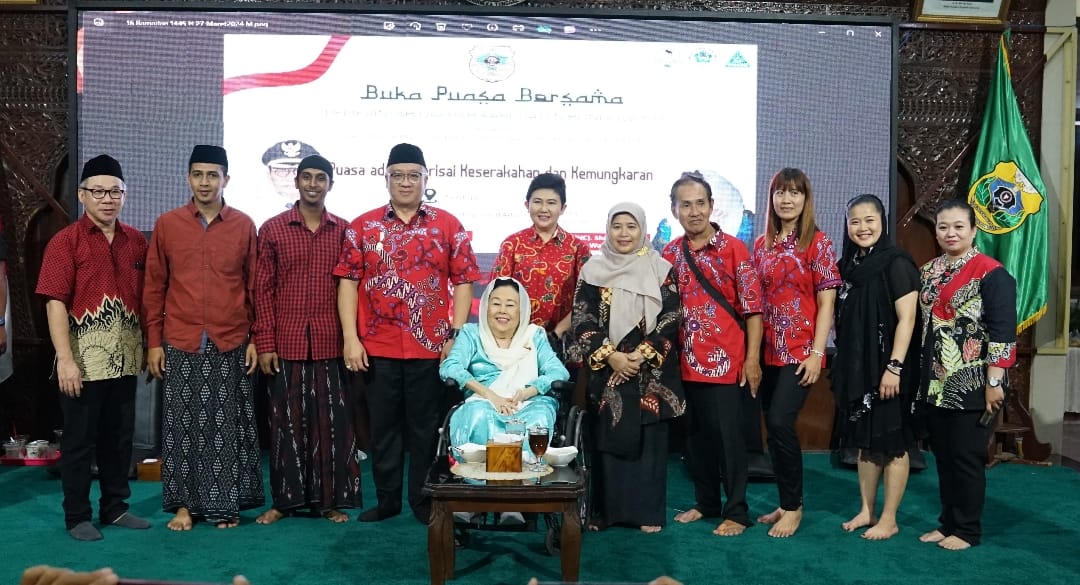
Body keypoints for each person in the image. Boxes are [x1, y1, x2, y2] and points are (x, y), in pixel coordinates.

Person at [333, 143, 479, 524]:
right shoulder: (362, 227)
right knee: (383, 429)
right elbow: (348, 283)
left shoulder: (448, 225)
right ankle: (387, 501)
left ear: (426, 179)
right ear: (386, 178)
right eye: (397, 175)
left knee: (425, 430)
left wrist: (456, 335)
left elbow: (464, 281)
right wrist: (350, 338)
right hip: (376, 347)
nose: (405, 182)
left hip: (430, 349)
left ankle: (422, 500)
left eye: (414, 175)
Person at [143, 145, 264, 530]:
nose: (205, 182)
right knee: (182, 426)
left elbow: (255, 287)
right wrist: (154, 342)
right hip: (181, 338)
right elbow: (154, 287)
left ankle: (224, 505)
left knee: (225, 426)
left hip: (231, 338)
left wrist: (257, 339)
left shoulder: (243, 225)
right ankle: (184, 507)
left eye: (213, 175)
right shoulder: (168, 224)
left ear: (226, 179)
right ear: (188, 178)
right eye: (198, 174)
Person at [35, 155, 151, 541]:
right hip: (82, 362)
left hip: (126, 359)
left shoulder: (136, 241)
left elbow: (146, 298)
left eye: (115, 192)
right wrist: (65, 360)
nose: (107, 199)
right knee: (79, 442)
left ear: (125, 195)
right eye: (98, 192)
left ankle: (116, 507)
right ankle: (77, 516)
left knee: (119, 439)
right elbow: (54, 302)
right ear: (82, 195)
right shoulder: (65, 242)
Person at [252, 154, 361, 525]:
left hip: (331, 341)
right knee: (284, 426)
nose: (314, 184)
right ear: (296, 182)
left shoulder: (344, 231)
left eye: (321, 178)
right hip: (287, 342)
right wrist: (265, 342)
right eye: (307, 177)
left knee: (331, 426)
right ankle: (284, 503)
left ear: (330, 184)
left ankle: (329, 502)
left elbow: (352, 288)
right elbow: (262, 290)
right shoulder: (273, 229)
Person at [571, 202, 685, 533]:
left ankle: (648, 514)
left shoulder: (660, 269)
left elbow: (672, 316)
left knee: (649, 445)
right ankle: (605, 513)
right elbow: (582, 317)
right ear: (608, 229)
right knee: (606, 441)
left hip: (651, 374)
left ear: (642, 230)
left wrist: (640, 355)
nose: (624, 233)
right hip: (608, 372)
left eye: (631, 226)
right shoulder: (592, 270)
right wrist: (612, 356)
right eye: (617, 226)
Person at [662, 172, 763, 537]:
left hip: (727, 364)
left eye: (700, 203)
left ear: (711, 206)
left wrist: (752, 359)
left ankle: (736, 511)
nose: (694, 211)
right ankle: (706, 503)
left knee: (729, 441)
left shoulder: (735, 249)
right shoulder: (669, 253)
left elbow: (753, 309)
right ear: (674, 210)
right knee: (695, 440)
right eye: (686, 205)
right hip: (684, 364)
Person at [916, 198, 1016, 550]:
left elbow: (1003, 332)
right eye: (943, 227)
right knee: (944, 457)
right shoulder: (928, 271)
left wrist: (994, 382)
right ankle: (948, 523)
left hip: (974, 383)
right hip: (935, 382)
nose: (951, 233)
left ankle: (967, 531)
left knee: (966, 457)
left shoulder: (992, 273)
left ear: (973, 230)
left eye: (959, 226)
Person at [751, 168, 840, 538]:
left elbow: (827, 301)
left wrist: (817, 353)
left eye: (794, 193)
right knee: (772, 428)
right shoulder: (761, 244)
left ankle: (794, 506)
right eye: (780, 192)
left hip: (800, 352)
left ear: (806, 199)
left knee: (780, 422)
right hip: (767, 351)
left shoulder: (818, 242)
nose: (786, 200)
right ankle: (784, 500)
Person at [833, 194, 919, 541]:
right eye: (855, 221)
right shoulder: (847, 267)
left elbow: (908, 319)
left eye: (869, 220)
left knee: (892, 443)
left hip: (890, 369)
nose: (862, 227)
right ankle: (867, 511)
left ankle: (889, 518)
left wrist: (894, 367)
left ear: (882, 221)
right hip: (859, 369)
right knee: (865, 443)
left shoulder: (897, 263)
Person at [439, 277, 569, 452]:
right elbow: (450, 367)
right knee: (479, 415)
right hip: (483, 401)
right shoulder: (471, 334)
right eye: (496, 303)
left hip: (528, 402)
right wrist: (490, 395)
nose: (502, 311)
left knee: (538, 418)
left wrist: (527, 392)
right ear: (486, 306)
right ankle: (481, 468)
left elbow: (558, 372)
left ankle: (528, 467)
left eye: (510, 305)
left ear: (521, 309)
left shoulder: (534, 336)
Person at [490, 173, 590, 347]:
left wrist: (557, 334)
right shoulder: (512, 244)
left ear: (563, 208)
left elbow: (585, 300)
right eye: (537, 202)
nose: (544, 209)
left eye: (551, 203)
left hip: (562, 342)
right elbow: (496, 293)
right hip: (516, 341)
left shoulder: (578, 248)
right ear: (527, 205)